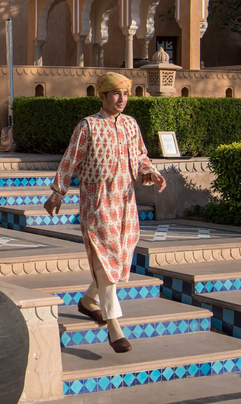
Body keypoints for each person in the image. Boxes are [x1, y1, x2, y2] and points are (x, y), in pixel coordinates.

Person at [44, 73, 167, 353]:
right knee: (105, 259)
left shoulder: (131, 125)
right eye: (114, 94)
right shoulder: (88, 126)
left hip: (126, 203)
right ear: (102, 96)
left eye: (125, 94)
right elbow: (69, 160)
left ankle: (88, 301)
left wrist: (152, 173)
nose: (121, 99)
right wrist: (57, 193)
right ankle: (114, 327)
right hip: (97, 202)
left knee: (119, 260)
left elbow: (140, 156)